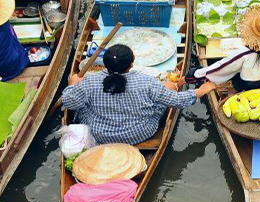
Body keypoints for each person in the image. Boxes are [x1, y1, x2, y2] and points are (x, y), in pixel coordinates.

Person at [62, 44, 217, 145]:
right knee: (166, 91)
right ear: (131, 65)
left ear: (105, 64)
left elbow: (68, 102)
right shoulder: (146, 82)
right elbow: (177, 101)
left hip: (101, 135)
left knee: (81, 104)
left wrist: (73, 84)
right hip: (138, 133)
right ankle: (170, 86)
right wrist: (201, 90)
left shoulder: (90, 81)